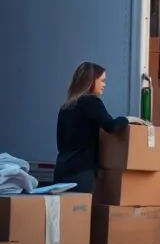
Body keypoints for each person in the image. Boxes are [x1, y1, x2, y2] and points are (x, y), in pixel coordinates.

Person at [53, 62, 131, 192]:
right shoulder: (91, 102)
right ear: (91, 81)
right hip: (81, 172)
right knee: (80, 211)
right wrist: (128, 119)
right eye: (102, 81)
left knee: (65, 211)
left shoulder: (67, 106)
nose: (104, 85)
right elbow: (111, 126)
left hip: (62, 170)